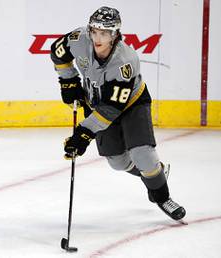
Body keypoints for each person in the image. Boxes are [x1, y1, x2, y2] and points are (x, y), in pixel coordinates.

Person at [50, 6, 186, 221]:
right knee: (118, 163)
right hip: (98, 102)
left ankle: (162, 196)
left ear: (115, 35)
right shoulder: (79, 38)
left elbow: (111, 109)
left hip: (132, 104)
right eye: (94, 31)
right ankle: (154, 173)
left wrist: (83, 134)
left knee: (143, 154)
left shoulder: (125, 62)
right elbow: (57, 51)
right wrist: (68, 81)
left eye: (104, 33)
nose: (97, 37)